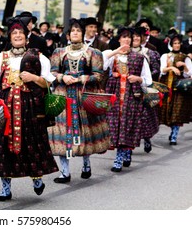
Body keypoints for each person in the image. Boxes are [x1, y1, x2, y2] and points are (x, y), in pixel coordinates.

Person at [0, 17, 58, 201]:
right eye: (14, 33)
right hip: (5, 106)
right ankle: (5, 188)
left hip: (30, 107)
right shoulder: (0, 57)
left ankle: (37, 179)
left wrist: (33, 78)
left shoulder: (38, 57)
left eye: (21, 33)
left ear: (27, 37)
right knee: (2, 145)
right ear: (10, 37)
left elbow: (48, 84)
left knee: (32, 144)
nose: (17, 35)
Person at [48, 18, 110, 183]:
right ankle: (65, 172)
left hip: (83, 97)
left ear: (82, 34)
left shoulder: (93, 53)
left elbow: (98, 75)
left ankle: (86, 164)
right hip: (63, 97)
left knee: (83, 132)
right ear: (68, 35)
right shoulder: (59, 52)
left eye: (78, 31)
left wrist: (82, 78)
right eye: (72, 31)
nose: (75, 33)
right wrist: (62, 77)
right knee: (63, 133)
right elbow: (52, 72)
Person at [103, 27, 152, 172]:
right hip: (114, 93)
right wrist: (117, 51)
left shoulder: (139, 58)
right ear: (119, 39)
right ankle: (123, 152)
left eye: (129, 37)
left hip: (132, 95)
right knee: (114, 124)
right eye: (123, 37)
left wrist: (138, 78)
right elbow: (101, 64)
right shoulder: (111, 55)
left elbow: (148, 80)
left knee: (127, 124)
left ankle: (121, 156)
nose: (127, 39)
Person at [158, 34, 192, 145]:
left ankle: (174, 135)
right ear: (171, 44)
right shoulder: (166, 56)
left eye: (178, 43)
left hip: (179, 87)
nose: (177, 45)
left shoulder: (185, 57)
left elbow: (189, 74)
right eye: (174, 43)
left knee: (177, 112)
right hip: (167, 85)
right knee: (165, 110)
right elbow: (162, 70)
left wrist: (184, 66)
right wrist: (172, 67)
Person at [131, 27, 161, 154]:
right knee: (130, 118)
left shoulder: (149, 52)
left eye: (139, 36)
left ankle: (147, 138)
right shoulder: (123, 52)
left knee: (145, 117)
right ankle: (128, 145)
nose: (136, 38)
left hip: (144, 88)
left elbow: (156, 69)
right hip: (127, 89)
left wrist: (143, 76)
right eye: (134, 36)